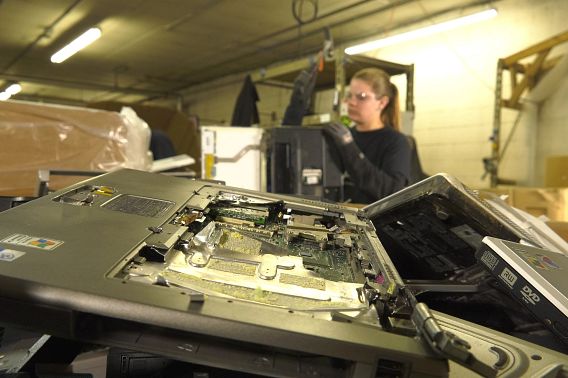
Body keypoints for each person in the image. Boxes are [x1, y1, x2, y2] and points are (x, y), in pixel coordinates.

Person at [325, 68, 411, 204]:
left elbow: (393, 192)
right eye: (350, 95)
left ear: (382, 102)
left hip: (373, 223)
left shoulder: (396, 142)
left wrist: (349, 147)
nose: (351, 102)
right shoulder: (343, 137)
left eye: (362, 97)